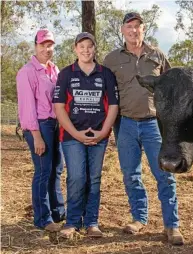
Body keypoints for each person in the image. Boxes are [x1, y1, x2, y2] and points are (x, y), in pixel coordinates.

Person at [103, 12, 184, 245]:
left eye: (137, 26)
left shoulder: (157, 55)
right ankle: (139, 218)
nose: (133, 30)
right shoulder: (111, 59)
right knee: (131, 175)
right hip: (125, 124)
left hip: (154, 125)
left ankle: (172, 225)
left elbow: (172, 87)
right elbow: (105, 91)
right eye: (129, 26)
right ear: (122, 30)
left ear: (143, 29)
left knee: (165, 174)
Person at [53, 32, 119, 238]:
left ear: (94, 49)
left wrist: (103, 132)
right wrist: (77, 134)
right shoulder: (65, 74)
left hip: (99, 136)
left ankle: (92, 222)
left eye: (89, 46)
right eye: (81, 46)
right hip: (72, 137)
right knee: (77, 177)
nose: (86, 50)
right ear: (75, 49)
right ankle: (72, 222)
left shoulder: (106, 74)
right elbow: (59, 108)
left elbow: (114, 106)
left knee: (94, 179)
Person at [16, 28, 65, 232]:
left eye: (50, 44)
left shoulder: (55, 70)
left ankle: (58, 212)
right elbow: (27, 107)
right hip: (40, 126)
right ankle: (42, 218)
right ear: (35, 46)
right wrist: (36, 136)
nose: (47, 48)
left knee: (57, 168)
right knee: (44, 170)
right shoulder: (26, 72)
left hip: (55, 124)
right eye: (43, 44)